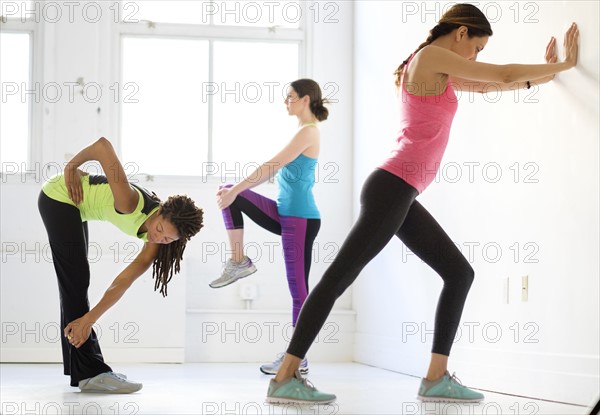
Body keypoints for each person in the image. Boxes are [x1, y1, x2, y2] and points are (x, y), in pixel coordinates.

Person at [265, 4, 579, 404]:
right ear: (462, 32)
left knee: (458, 273)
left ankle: (435, 378)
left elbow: (489, 85)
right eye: (477, 47)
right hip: (392, 187)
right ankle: (285, 377)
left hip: (401, 190)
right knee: (338, 278)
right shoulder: (430, 57)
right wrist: (566, 63)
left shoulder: (436, 67)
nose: (474, 58)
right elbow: (500, 73)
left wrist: (543, 77)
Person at [38, 137, 204, 393]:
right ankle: (91, 373)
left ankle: (81, 369)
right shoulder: (130, 202)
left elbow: (122, 282)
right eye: (160, 229)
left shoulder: (155, 242)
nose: (158, 238)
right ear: (159, 211)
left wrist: (89, 320)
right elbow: (103, 146)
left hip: (76, 206)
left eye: (168, 239)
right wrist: (71, 167)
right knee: (76, 278)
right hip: (58, 196)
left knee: (76, 280)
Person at [210, 79, 329, 375]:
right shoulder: (302, 131)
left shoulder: (309, 132)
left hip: (300, 219)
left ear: (304, 99)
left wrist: (237, 189)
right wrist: (234, 190)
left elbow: (271, 165)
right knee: (229, 192)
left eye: (289, 97)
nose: (285, 102)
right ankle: (238, 262)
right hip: (285, 214)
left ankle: (297, 357)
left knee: (299, 291)